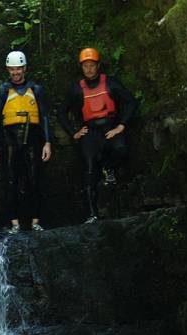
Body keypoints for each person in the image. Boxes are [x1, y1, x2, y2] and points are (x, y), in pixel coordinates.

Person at [59, 47, 137, 223]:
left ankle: (108, 168)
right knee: (88, 169)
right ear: (81, 67)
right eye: (85, 65)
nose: (89, 69)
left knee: (121, 149)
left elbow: (131, 102)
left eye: (92, 65)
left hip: (110, 127)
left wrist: (121, 126)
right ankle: (92, 214)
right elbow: (61, 112)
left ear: (98, 65)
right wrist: (74, 133)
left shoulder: (110, 83)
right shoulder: (76, 89)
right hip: (91, 132)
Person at [0, 50, 53, 234]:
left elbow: (45, 117)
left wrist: (47, 142)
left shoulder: (36, 90)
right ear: (8, 70)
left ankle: (35, 221)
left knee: (34, 179)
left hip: (32, 137)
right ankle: (14, 223)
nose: (16, 73)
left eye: (19, 69)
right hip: (10, 138)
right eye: (12, 69)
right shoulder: (3, 90)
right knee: (11, 180)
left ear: (24, 68)